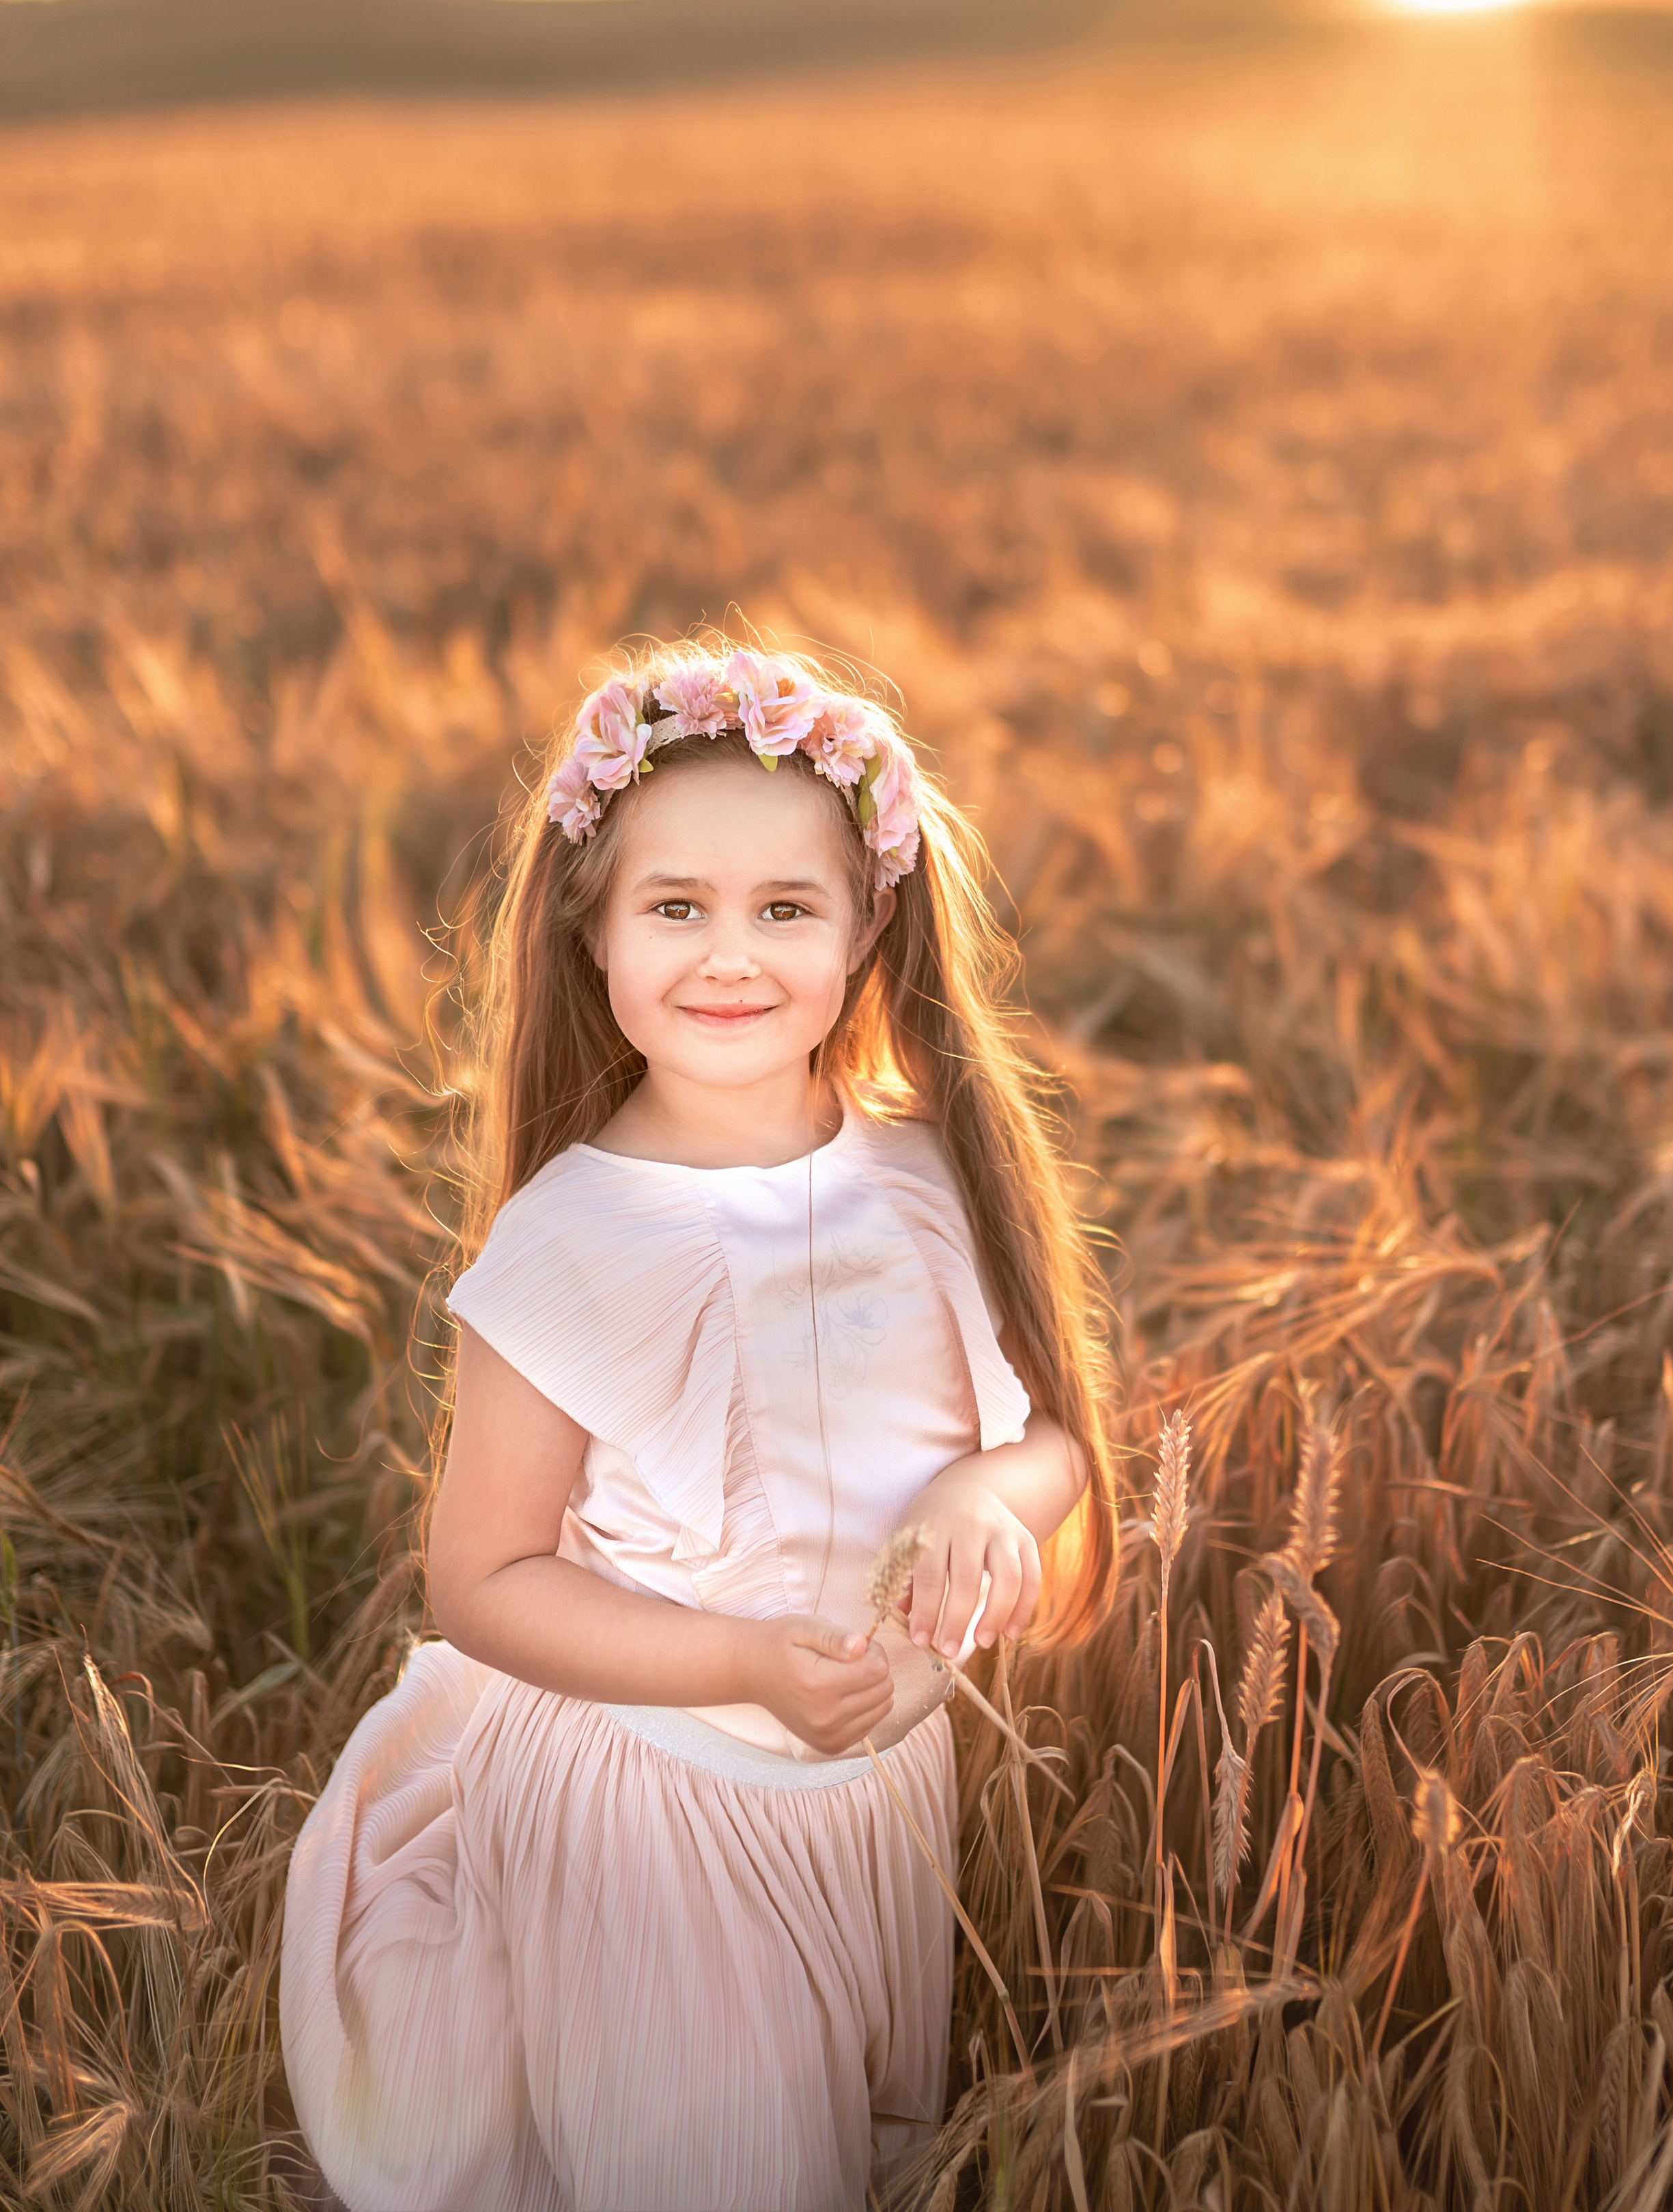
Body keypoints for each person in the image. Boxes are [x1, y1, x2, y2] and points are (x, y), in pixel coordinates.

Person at [279, 634, 1119, 2212]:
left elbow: (1047, 1439)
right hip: (657, 1807)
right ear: (590, 926)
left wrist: (983, 1502)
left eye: (782, 909)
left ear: (868, 925)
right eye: (677, 907)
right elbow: (484, 1581)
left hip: (875, 1796)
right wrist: (738, 1662)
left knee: (851, 2155)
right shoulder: (567, 1246)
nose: (729, 956)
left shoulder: (923, 1174)